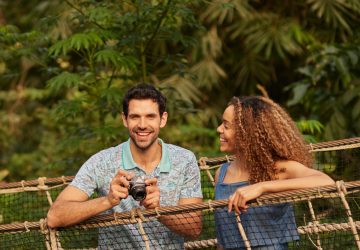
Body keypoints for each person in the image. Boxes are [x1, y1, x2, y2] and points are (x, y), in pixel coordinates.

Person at [47, 83, 203, 249]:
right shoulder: (102, 161)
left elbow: (194, 228)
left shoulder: (184, 159)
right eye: (135, 117)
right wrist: (108, 201)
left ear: (162, 119)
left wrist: (159, 209)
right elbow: (55, 216)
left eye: (150, 116)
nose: (142, 124)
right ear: (125, 119)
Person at [214, 96, 334, 250]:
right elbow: (223, 239)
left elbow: (326, 182)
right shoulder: (221, 174)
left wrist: (261, 187)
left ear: (247, 133)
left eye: (226, 126)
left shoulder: (277, 169)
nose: (219, 129)